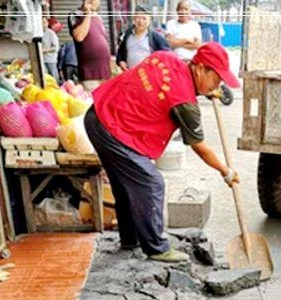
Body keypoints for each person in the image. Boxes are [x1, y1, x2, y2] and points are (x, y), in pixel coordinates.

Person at [84, 42, 240, 262]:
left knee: (125, 185)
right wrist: (226, 171)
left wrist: (205, 90)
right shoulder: (185, 103)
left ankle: (130, 239)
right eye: (216, 79)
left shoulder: (167, 58)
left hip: (97, 115)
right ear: (200, 68)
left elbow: (169, 85)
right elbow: (199, 145)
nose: (218, 84)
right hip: (113, 129)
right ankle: (156, 248)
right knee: (151, 182)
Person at [68, 0, 111, 92]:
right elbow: (79, 36)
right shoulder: (75, 15)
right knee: (92, 99)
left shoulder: (99, 17)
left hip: (105, 72)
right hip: (89, 74)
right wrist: (88, 14)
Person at [116, 5, 170, 71]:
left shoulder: (155, 37)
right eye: (138, 17)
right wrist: (121, 61)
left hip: (148, 74)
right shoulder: (127, 35)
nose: (141, 21)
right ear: (134, 18)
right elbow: (120, 51)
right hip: (130, 73)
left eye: (144, 18)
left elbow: (166, 55)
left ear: (149, 20)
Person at [42, 17, 60, 83]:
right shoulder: (40, 33)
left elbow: (56, 47)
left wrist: (44, 50)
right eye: (41, 22)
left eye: (44, 22)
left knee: (53, 77)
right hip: (42, 59)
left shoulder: (51, 33)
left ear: (47, 23)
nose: (42, 24)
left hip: (50, 59)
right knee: (45, 78)